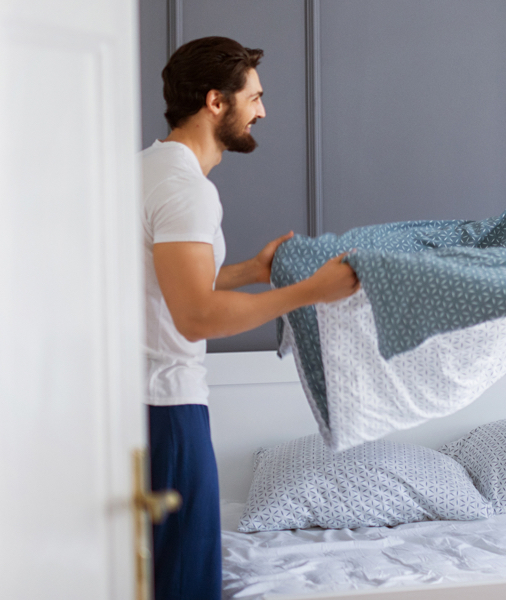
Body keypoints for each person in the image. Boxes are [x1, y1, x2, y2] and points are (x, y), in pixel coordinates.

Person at [142, 36, 360, 599]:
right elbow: (195, 315)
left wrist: (250, 271)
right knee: (185, 582)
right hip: (166, 407)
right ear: (216, 102)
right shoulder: (187, 190)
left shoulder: (148, 169)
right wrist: (312, 291)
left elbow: (163, 282)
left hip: (130, 405)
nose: (262, 111)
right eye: (255, 97)